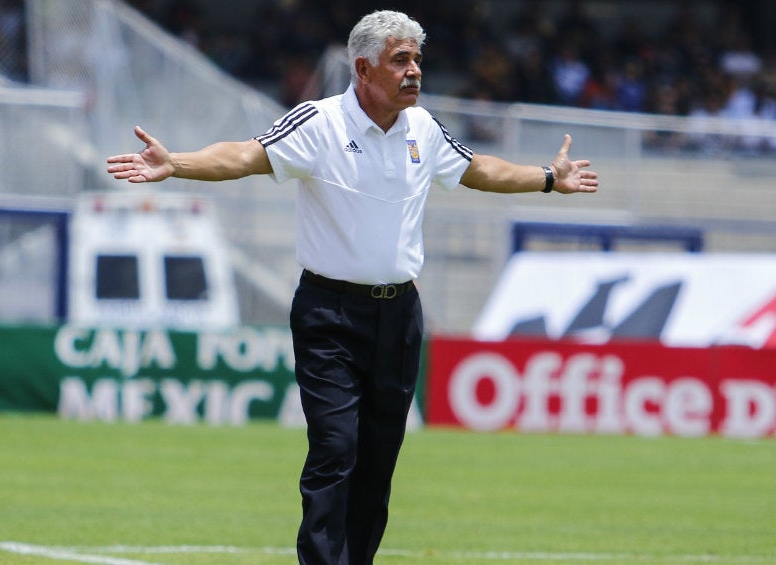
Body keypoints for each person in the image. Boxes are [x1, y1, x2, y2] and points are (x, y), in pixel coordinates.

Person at [106, 10, 598, 564]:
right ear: (363, 68)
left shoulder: (424, 128)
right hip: (329, 314)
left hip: (400, 315)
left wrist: (549, 179)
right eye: (400, 60)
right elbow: (247, 154)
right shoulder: (318, 123)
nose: (414, 71)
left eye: (417, 59)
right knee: (335, 448)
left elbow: (478, 169)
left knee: (378, 459)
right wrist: (177, 163)